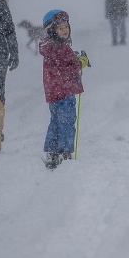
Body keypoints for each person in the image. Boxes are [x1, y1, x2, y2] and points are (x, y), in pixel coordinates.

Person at [40, 10, 85, 170]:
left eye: (66, 27)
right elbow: (70, 66)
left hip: (54, 92)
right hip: (64, 91)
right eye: (60, 28)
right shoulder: (60, 48)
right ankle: (65, 152)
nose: (65, 30)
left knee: (56, 121)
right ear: (52, 31)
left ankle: (52, 150)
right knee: (67, 121)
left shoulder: (49, 47)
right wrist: (81, 62)